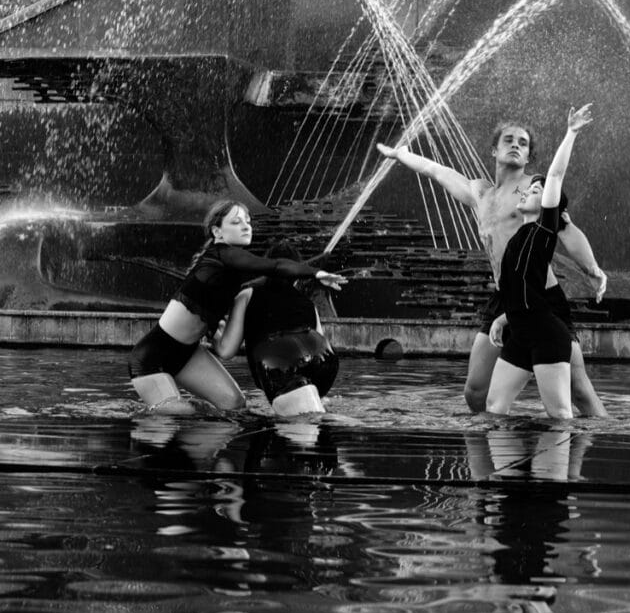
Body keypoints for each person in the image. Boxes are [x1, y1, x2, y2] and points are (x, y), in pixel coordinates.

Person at [376, 117, 608, 417]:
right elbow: (436, 170)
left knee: (579, 390)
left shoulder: (534, 189)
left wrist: (592, 268)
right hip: (504, 299)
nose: (516, 145)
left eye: (523, 143)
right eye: (508, 140)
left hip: (542, 299)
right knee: (475, 391)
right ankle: (504, 441)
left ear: (528, 156)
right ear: (494, 151)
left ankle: (603, 435)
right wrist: (402, 155)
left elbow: (566, 230)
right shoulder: (480, 193)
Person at [128, 200, 345, 414]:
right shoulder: (220, 254)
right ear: (217, 232)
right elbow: (275, 265)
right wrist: (315, 273)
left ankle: (197, 416)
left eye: (248, 222)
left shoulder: (236, 270)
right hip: (151, 357)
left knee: (234, 404)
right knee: (179, 411)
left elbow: (269, 277)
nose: (245, 226)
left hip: (188, 353)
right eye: (236, 222)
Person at [483, 104, 592, 418]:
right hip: (520, 332)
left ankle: (570, 448)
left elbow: (555, 174)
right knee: (495, 407)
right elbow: (525, 290)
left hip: (546, 334)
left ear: (547, 204)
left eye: (534, 191)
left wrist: (571, 133)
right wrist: (502, 319)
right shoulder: (519, 235)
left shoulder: (544, 231)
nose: (526, 191)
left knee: (559, 413)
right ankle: (510, 453)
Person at [214, 241, 340, 416]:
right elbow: (319, 341)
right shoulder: (308, 304)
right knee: (314, 417)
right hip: (324, 361)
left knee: (305, 420)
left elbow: (227, 351)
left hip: (280, 360)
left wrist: (216, 336)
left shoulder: (247, 295)